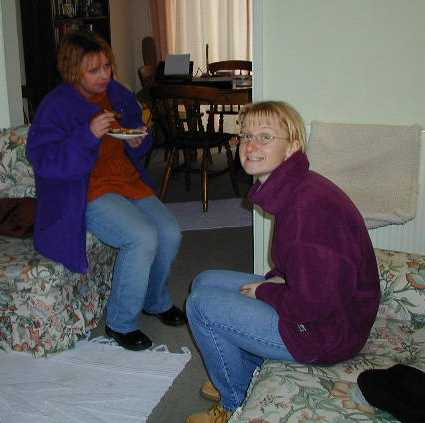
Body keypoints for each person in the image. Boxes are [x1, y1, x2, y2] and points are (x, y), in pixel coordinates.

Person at [185, 101, 381, 422]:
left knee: (201, 305)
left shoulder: (307, 210)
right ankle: (244, 373)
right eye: (246, 136)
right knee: (205, 281)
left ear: (292, 147)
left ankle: (234, 403)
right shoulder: (297, 187)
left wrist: (266, 291)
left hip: (328, 333)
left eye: (265, 137)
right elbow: (304, 267)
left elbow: (312, 306)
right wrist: (279, 278)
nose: (250, 146)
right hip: (327, 310)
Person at [26, 31, 186, 351]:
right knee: (141, 236)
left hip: (127, 180)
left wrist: (139, 140)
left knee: (170, 232)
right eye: (93, 70)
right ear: (73, 71)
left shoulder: (117, 93)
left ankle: (154, 301)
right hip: (85, 189)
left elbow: (136, 137)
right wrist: (87, 134)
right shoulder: (56, 106)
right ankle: (120, 323)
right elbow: (45, 160)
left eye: (106, 66)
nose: (104, 76)